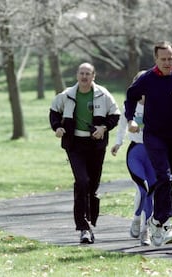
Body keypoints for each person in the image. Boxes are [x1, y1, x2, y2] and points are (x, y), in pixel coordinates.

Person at [124, 41, 172, 246]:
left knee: (168, 179)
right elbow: (130, 97)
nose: (167, 63)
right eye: (163, 59)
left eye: (170, 59)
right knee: (163, 175)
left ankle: (155, 222)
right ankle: (165, 221)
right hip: (153, 135)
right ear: (156, 59)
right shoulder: (147, 79)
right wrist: (130, 118)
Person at [49, 62, 120, 244]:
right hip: (75, 144)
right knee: (82, 181)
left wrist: (103, 127)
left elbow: (115, 115)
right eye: (81, 73)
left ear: (93, 76)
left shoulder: (103, 94)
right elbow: (54, 112)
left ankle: (91, 219)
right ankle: (83, 227)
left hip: (96, 145)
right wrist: (57, 127)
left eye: (88, 73)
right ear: (77, 75)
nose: (84, 76)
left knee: (92, 186)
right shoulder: (67, 95)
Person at [110, 71, 155, 246]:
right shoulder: (130, 106)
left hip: (153, 153)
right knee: (143, 189)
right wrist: (118, 143)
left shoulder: (156, 105)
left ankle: (145, 228)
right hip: (135, 152)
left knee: (150, 192)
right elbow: (122, 125)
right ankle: (139, 221)